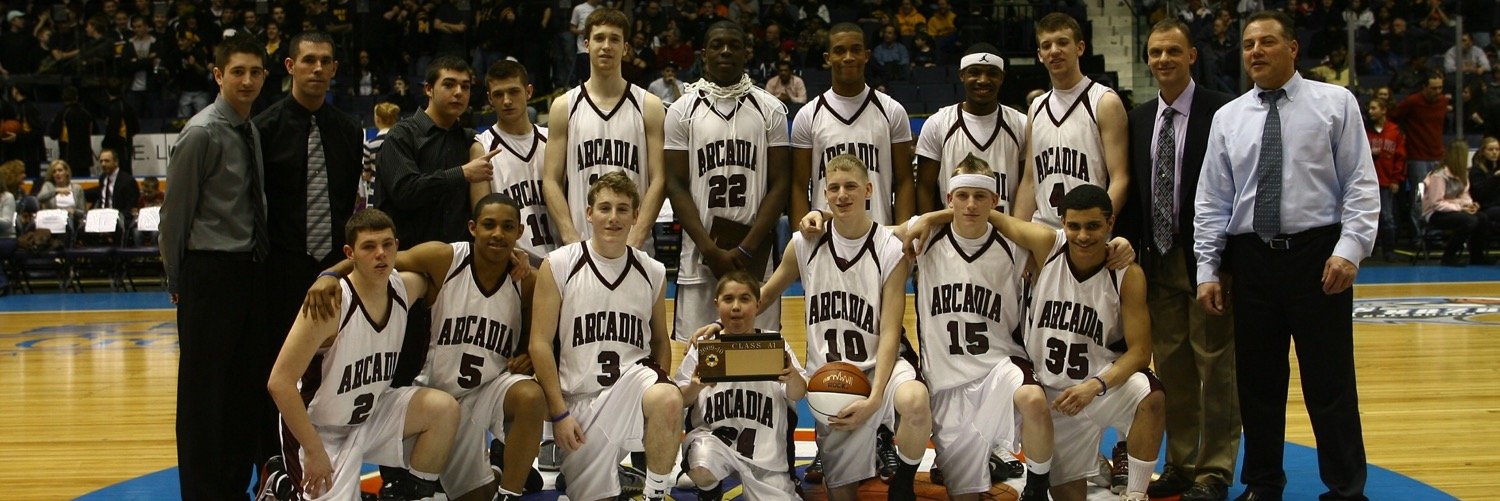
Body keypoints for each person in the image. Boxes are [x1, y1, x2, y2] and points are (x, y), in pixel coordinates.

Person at [1194, 11, 1379, 500]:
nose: (1256, 51)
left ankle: (1345, 487)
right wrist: (1208, 269)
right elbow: (1212, 200)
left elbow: (1361, 184)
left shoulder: (1335, 104)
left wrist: (1350, 250)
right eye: (1249, 44)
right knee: (1257, 384)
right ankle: (1262, 483)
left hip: (1319, 256)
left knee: (1331, 383)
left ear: (1292, 48)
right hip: (1252, 259)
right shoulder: (1228, 118)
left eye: (1268, 42)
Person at [303, 194, 547, 500]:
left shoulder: (527, 280)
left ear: (518, 232)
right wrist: (329, 274)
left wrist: (526, 353)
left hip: (486, 390)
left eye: (507, 226)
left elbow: (541, 319)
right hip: (437, 395)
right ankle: (452, 480)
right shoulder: (444, 259)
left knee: (530, 395)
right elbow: (381, 260)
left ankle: (509, 492)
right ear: (473, 228)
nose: (497, 233)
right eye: (489, 225)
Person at [758, 154, 930, 500]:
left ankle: (902, 484)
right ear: (824, 194)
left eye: (851, 186)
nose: (842, 195)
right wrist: (718, 327)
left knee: (914, 400)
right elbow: (762, 297)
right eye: (834, 188)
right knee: (841, 495)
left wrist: (876, 397)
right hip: (830, 380)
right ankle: (874, 439)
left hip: (881, 368)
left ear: (868, 190)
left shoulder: (889, 247)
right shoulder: (804, 243)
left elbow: (891, 330)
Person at [1119, 19, 1237, 501]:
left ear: (1191, 55)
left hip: (1208, 260)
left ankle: (1216, 470)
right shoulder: (1140, 117)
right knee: (1174, 369)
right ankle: (1182, 464)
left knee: (1218, 369)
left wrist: (1224, 261)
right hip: (1158, 259)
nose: (1162, 60)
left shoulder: (1223, 112)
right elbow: (1137, 196)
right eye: (1154, 53)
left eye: (1172, 51)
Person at [265, 209, 460, 501]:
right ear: (350, 253)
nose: (380, 254)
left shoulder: (404, 287)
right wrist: (315, 450)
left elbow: (441, 271)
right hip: (320, 430)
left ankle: (412, 493)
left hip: (371, 416)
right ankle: (280, 483)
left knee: (442, 408)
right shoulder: (330, 304)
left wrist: (515, 261)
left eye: (387, 245)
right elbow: (279, 382)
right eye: (369, 246)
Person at [158, 35, 276, 500]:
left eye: (255, 72)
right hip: (209, 272)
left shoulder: (250, 129)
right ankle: (204, 493)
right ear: (218, 75)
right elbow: (174, 216)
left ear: (266, 76)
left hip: (249, 271)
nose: (247, 80)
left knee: (242, 390)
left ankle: (232, 486)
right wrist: (177, 278)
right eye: (237, 72)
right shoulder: (202, 132)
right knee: (203, 396)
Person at [903, 157, 1051, 501]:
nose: (971, 204)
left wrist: (966, 213)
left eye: (981, 196)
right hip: (945, 384)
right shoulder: (925, 239)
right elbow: (880, 232)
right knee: (964, 495)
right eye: (963, 196)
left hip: (999, 369)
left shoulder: (1013, 244)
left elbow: (1048, 239)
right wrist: (932, 217)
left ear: (995, 200)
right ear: (949, 198)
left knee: (1033, 400)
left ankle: (1038, 489)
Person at [529, 171, 681, 501]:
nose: (613, 218)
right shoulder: (558, 264)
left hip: (632, 390)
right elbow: (539, 343)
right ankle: (600, 478)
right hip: (578, 402)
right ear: (589, 213)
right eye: (605, 208)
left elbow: (659, 340)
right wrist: (558, 414)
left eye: (623, 209)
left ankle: (654, 492)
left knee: (668, 397)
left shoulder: (652, 271)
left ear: (636, 216)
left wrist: (662, 381)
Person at [254, 32, 366, 416]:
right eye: (308, 60)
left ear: (334, 68)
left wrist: (340, 269)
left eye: (325, 61)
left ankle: (323, 458)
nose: (317, 68)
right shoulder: (263, 129)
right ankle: (274, 465)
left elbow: (347, 202)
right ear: (290, 67)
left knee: (331, 370)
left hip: (332, 269)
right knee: (274, 369)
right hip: (279, 267)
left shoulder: (350, 130)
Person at [665, 20, 791, 341]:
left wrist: (745, 249)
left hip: (755, 254)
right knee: (697, 355)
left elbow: (780, 184)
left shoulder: (771, 109)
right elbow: (675, 184)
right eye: (717, 45)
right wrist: (709, 249)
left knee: (755, 354)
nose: (725, 51)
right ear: (703, 53)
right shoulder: (682, 110)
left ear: (747, 52)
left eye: (733, 45)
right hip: (699, 255)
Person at [676, 270, 806, 500]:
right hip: (716, 445)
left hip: (766, 457)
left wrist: (792, 375)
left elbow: (798, 393)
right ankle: (709, 487)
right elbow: (680, 399)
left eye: (744, 299)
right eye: (728, 299)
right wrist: (696, 386)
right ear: (717, 305)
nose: (736, 307)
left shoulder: (775, 344)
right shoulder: (705, 347)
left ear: (758, 304)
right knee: (701, 469)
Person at [543, 8, 667, 249]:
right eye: (599, 38)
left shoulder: (649, 106)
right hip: (580, 243)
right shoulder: (563, 107)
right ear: (586, 44)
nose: (606, 46)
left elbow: (660, 178)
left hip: (634, 245)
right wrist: (570, 237)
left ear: (626, 48)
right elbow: (550, 180)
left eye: (615, 39)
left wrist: (637, 236)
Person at [790, 22, 915, 226]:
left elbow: (905, 181)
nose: (848, 57)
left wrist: (902, 234)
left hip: (879, 238)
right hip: (825, 239)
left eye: (855, 50)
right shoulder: (808, 115)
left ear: (866, 55)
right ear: (827, 58)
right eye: (839, 51)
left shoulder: (892, 110)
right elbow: (798, 186)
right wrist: (800, 242)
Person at [1014, 13, 1130, 230]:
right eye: (1046, 45)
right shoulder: (1036, 108)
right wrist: (1016, 239)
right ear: (1040, 55)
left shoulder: (1104, 101)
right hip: (1043, 232)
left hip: (1087, 234)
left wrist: (1096, 228)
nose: (1054, 51)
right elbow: (1030, 182)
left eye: (1062, 42)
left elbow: (1120, 179)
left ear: (1080, 48)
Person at [376, 55, 497, 249]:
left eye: (465, 87)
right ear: (428, 89)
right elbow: (405, 192)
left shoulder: (471, 140)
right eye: (449, 85)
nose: (459, 92)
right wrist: (462, 173)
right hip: (408, 261)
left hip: (460, 261)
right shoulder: (401, 135)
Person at [915, 43, 1028, 215]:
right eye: (974, 72)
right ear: (962, 75)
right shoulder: (938, 123)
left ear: (1002, 77)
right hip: (953, 236)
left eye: (992, 73)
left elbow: (1027, 185)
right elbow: (924, 188)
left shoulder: (1021, 124)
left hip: (1006, 236)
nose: (983, 80)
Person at [478, 61, 559, 263]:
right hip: (512, 262)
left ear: (528, 91)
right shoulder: (481, 147)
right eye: (498, 94)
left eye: (514, 92)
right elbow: (481, 216)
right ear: (489, 99)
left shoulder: (553, 141)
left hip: (562, 258)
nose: (506, 101)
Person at [1421, 140, 1492, 266]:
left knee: (1482, 217)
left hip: (1453, 209)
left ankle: (1477, 256)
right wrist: (1460, 207)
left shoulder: (1463, 174)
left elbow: (1465, 195)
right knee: (1469, 221)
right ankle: (1448, 256)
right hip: (1434, 214)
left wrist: (1469, 205)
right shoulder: (1439, 175)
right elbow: (1436, 203)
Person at [1389, 72, 1448, 190]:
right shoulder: (1412, 101)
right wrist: (1401, 134)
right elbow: (1392, 116)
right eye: (1433, 88)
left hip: (1438, 155)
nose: (1437, 91)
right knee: (1420, 195)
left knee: (1438, 193)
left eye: (1440, 88)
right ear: (1424, 87)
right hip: (1417, 157)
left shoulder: (1443, 101)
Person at [1366, 98, 1406, 261]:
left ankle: (1389, 250)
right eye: (1369, 108)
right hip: (1367, 182)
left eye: (1374, 108)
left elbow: (1400, 157)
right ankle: (1369, 249)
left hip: (1386, 181)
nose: (1370, 111)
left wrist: (1396, 179)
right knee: (1368, 217)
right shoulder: (1364, 130)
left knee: (1387, 217)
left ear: (1383, 110)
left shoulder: (1394, 131)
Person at [49, 87, 94, 179]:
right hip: (85, 158)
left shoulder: (62, 114)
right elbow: (93, 130)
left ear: (63, 97)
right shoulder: (86, 113)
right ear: (77, 97)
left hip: (68, 157)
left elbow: (53, 134)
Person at [362, 102, 400, 210]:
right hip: (398, 194)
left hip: (376, 195)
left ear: (377, 119)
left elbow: (367, 174)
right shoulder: (402, 141)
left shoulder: (369, 144)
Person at [90, 148, 139, 227]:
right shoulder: (103, 178)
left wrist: (114, 217)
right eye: (101, 161)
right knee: (83, 230)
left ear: (116, 162)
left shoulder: (127, 181)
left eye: (107, 161)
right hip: (101, 217)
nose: (103, 164)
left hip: (118, 218)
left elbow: (131, 207)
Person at [1471, 137, 1500, 227]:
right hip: (1485, 207)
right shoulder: (1476, 170)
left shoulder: (1497, 167)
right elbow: (1481, 194)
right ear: (1483, 152)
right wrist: (1495, 177)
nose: (1494, 152)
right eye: (1490, 149)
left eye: (1497, 149)